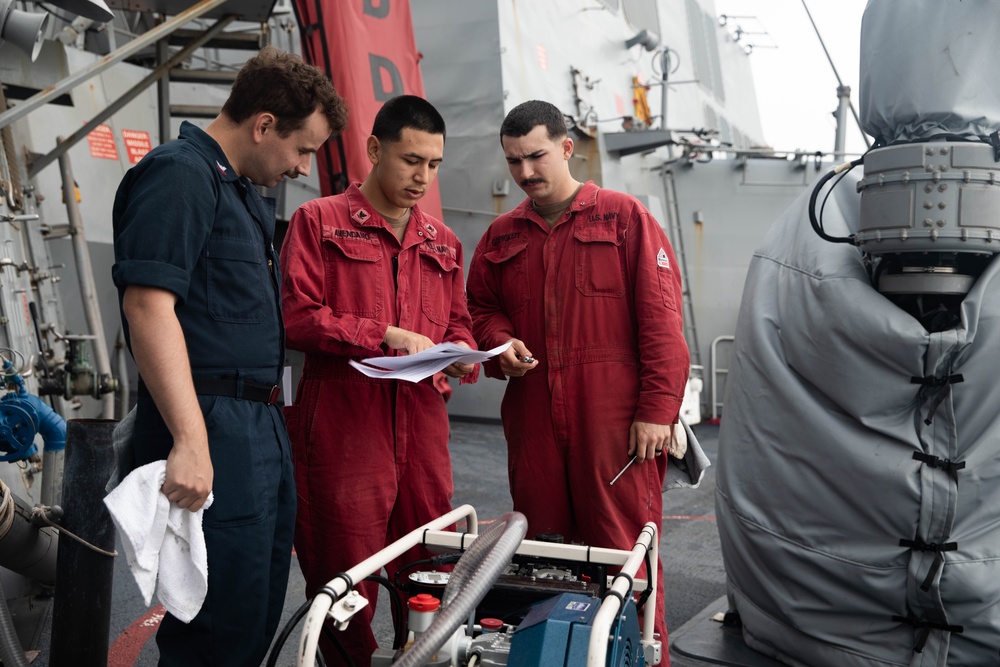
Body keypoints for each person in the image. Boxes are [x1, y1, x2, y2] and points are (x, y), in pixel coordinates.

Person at [112, 46, 347, 666]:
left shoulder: (238, 192)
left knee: (252, 614)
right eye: (302, 149)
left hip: (258, 427)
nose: (301, 166)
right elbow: (148, 307)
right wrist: (190, 440)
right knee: (214, 632)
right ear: (264, 124)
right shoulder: (181, 175)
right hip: (212, 423)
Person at [466, 99, 690, 653]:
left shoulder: (624, 218)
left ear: (568, 148)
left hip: (613, 426)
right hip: (534, 421)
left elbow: (662, 323)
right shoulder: (500, 235)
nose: (525, 173)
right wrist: (498, 343)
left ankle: (640, 660)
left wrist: (657, 412)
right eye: (514, 161)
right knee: (542, 560)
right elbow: (478, 310)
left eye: (536, 156)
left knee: (626, 562)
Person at [280, 94, 477, 666]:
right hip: (343, 436)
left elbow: (457, 323)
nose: (423, 177)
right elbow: (297, 315)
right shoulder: (317, 221)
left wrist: (464, 353)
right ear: (373, 149)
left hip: (421, 437)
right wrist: (382, 334)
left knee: (432, 576)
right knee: (344, 584)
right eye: (411, 160)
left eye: (434, 164)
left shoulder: (444, 242)